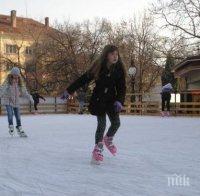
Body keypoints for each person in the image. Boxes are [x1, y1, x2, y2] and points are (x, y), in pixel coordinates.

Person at [61, 45, 126, 164]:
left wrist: (119, 101)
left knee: (116, 123)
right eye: (112, 54)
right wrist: (69, 90)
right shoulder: (98, 67)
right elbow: (83, 79)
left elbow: (122, 88)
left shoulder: (119, 69)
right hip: (99, 100)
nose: (115, 56)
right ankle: (98, 148)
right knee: (102, 125)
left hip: (112, 100)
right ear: (107, 55)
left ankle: (108, 139)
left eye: (116, 54)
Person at [0, 67, 33, 137]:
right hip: (8, 100)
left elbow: (24, 91)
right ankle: (11, 126)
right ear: (12, 74)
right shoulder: (7, 81)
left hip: (16, 101)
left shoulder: (20, 82)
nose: (15, 76)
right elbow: (2, 89)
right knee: (10, 114)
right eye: (14, 74)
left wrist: (29, 97)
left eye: (17, 75)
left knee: (18, 116)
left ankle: (19, 128)